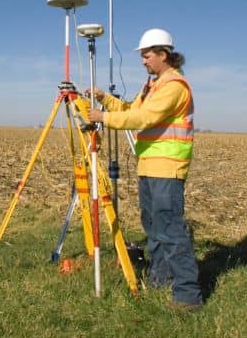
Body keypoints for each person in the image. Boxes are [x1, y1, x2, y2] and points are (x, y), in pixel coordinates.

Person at [86, 28, 203, 311]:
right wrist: (104, 99)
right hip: (149, 166)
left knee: (171, 229)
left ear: (163, 55)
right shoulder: (152, 86)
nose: (143, 61)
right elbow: (130, 109)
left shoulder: (175, 86)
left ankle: (188, 296)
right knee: (153, 226)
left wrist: (104, 118)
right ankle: (161, 279)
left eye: (147, 56)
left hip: (168, 167)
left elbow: (144, 117)